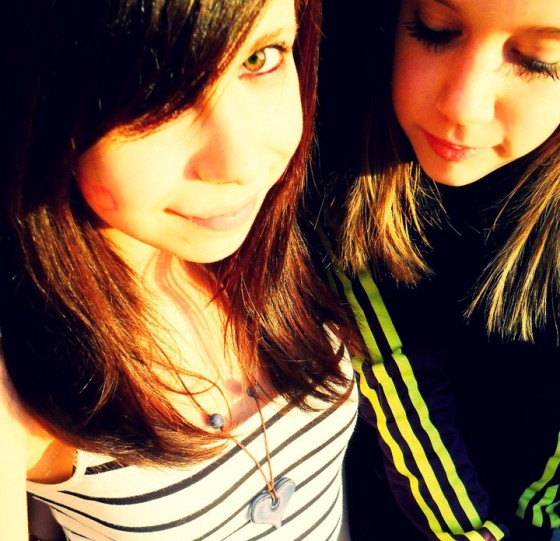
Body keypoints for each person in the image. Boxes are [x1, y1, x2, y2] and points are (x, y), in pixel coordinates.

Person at [0, 0, 360, 539]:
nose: (240, 163)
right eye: (158, 92)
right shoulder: (22, 370)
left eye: (260, 58)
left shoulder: (289, 239)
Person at [316, 0, 560, 539]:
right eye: (435, 30)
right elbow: (395, 370)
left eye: (539, 60)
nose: (463, 107)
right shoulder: (346, 168)